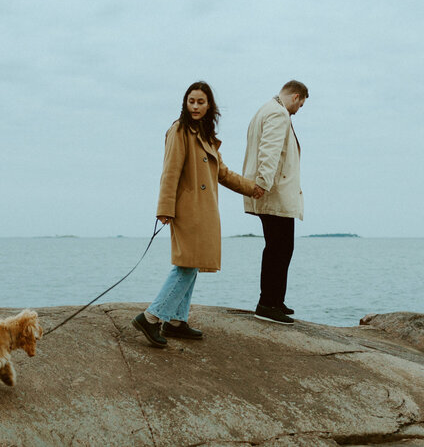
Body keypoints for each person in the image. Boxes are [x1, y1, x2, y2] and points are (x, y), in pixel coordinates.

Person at [132, 81, 262, 347]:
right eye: (191, 101)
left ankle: (177, 320)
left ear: (209, 105)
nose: (195, 106)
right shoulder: (179, 130)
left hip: (204, 210)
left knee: (193, 263)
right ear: (185, 102)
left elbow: (222, 174)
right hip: (186, 209)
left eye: (200, 102)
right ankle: (152, 317)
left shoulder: (205, 135)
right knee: (187, 264)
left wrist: (253, 189)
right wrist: (165, 208)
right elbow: (170, 171)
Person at [242, 80, 308, 324]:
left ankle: (275, 300)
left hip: (271, 191)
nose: (298, 109)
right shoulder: (278, 113)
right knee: (278, 249)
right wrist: (263, 183)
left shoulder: (264, 109)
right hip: (274, 193)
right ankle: (267, 304)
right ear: (295, 96)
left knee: (279, 248)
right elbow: (269, 151)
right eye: (300, 105)